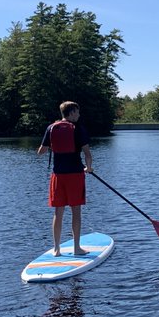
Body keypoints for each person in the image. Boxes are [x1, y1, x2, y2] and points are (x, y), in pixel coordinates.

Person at [37, 101, 94, 257]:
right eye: (77, 112)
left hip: (58, 176)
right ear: (71, 113)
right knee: (76, 212)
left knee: (58, 212)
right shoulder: (78, 129)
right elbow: (88, 155)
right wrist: (88, 168)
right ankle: (77, 248)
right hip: (75, 175)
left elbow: (41, 152)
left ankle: (56, 249)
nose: (79, 115)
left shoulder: (51, 128)